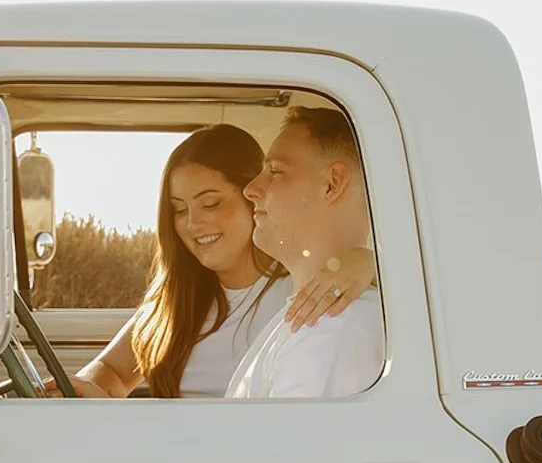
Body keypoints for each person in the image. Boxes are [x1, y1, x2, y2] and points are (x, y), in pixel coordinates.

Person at [68, 124, 372, 398]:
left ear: (251, 199)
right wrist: (81, 390)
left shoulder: (308, 293)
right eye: (179, 210)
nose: (192, 224)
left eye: (210, 204)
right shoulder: (177, 299)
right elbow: (111, 371)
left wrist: (366, 261)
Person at [226, 107, 384, 399]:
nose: (250, 189)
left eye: (275, 171)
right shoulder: (314, 316)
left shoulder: (332, 326)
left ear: (331, 184)